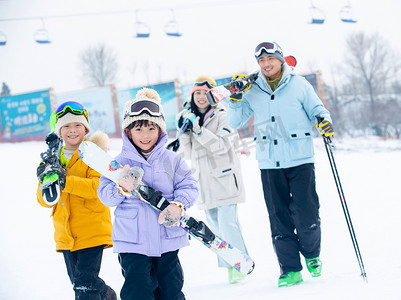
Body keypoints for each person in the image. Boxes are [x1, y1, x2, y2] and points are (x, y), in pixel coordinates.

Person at [226, 41, 335, 287]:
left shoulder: (299, 85)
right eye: (261, 61)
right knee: (279, 218)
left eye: (270, 59)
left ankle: (312, 255)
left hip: (300, 160)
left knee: (306, 213)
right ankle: (290, 269)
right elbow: (235, 121)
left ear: (281, 59)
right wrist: (234, 98)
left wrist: (323, 120)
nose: (266, 64)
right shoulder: (251, 89)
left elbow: (317, 109)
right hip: (269, 163)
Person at [97, 88, 198, 300]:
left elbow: (189, 186)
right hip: (133, 243)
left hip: (167, 241)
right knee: (138, 291)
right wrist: (121, 188)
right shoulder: (118, 164)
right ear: (128, 132)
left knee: (170, 291)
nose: (145, 135)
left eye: (151, 128)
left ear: (160, 130)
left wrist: (178, 205)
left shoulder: (172, 160)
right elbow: (105, 196)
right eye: (139, 129)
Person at [36, 101, 116, 299]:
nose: (73, 130)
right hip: (66, 235)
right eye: (67, 126)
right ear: (59, 131)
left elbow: (97, 188)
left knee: (84, 285)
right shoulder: (51, 159)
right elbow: (44, 200)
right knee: (80, 284)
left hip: (92, 229)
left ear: (86, 128)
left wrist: (65, 180)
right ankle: (107, 295)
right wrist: (45, 180)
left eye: (78, 125)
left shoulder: (95, 154)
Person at [176, 76, 249, 284]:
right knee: (215, 229)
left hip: (224, 179)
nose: (200, 97)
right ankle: (230, 265)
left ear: (212, 94)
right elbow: (188, 153)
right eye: (196, 93)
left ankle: (240, 264)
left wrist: (198, 129)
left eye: (204, 92)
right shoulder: (189, 116)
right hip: (204, 182)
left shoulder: (222, 114)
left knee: (228, 224)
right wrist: (184, 130)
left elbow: (220, 147)